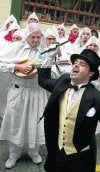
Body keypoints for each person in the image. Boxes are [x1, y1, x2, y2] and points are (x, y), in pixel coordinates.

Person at [37, 48, 100, 172]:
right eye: (75, 62)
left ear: (91, 73)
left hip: (81, 156)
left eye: (82, 64)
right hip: (57, 151)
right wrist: (49, 59)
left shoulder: (98, 98)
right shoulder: (62, 82)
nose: (76, 64)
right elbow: (43, 80)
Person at [0, 23, 49, 169]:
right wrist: (16, 67)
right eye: (33, 37)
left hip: (37, 92)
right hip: (18, 91)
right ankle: (13, 154)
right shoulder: (15, 48)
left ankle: (34, 152)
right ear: (27, 37)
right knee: (16, 122)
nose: (35, 40)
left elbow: (50, 69)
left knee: (36, 122)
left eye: (38, 37)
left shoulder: (44, 51)